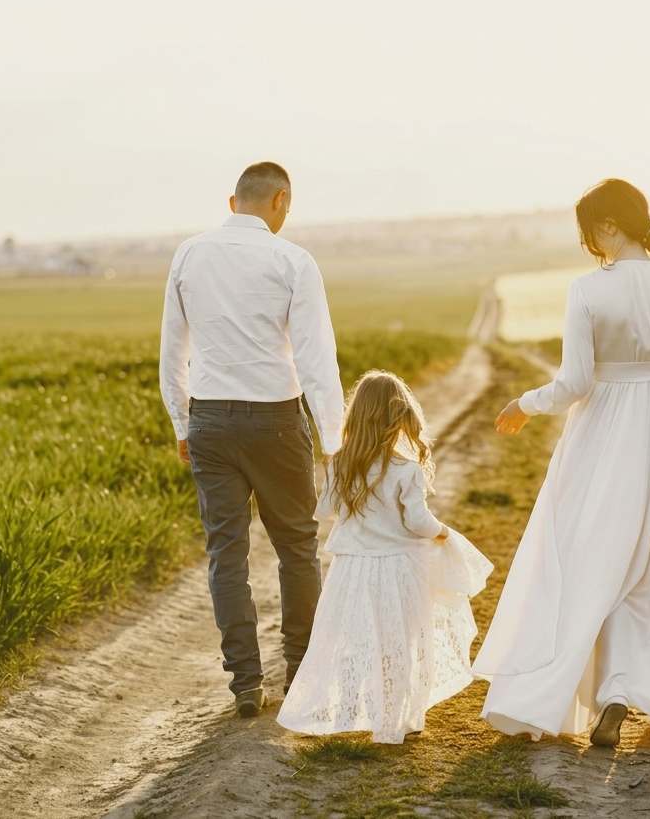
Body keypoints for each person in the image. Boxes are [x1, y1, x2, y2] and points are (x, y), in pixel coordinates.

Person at [472, 178, 650, 746]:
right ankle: (628, 689)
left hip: (603, 434)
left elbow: (574, 383)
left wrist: (526, 403)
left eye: (589, 232)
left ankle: (598, 691)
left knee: (595, 557)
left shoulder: (587, 291)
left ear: (610, 225)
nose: (589, 245)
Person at [160, 162, 345, 718]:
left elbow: (172, 353)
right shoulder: (294, 260)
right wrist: (333, 440)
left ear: (233, 201)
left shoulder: (188, 254)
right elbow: (316, 357)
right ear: (280, 200)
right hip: (277, 422)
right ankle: (300, 675)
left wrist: (183, 425)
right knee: (297, 548)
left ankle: (245, 682)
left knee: (226, 554)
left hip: (210, 421)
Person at [277, 371, 492, 744]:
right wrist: (444, 532)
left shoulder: (341, 463)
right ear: (400, 417)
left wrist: (336, 476)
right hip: (399, 567)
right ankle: (394, 719)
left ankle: (348, 709)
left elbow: (325, 510)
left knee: (353, 637)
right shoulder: (406, 468)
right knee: (399, 642)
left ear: (356, 415)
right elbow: (418, 522)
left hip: (352, 568)